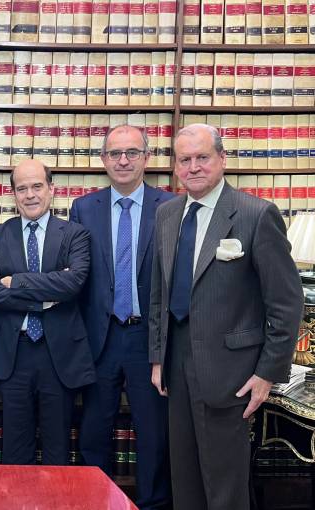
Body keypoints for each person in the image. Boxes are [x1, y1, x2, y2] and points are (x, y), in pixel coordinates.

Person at [149, 124, 303, 510]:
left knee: (225, 490)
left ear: (222, 158)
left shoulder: (256, 215)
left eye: (202, 157)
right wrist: (157, 358)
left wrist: (267, 373)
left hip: (232, 373)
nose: (193, 167)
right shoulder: (166, 214)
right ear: (175, 166)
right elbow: (158, 294)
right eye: (184, 160)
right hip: (175, 367)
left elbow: (286, 303)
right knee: (185, 483)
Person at [69, 125, 172, 510]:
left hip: (149, 338)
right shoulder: (83, 209)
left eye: (132, 152)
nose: (123, 160)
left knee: (153, 432)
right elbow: (76, 276)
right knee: (94, 429)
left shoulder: (170, 206)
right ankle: (93, 501)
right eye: (115, 153)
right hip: (100, 336)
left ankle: (152, 504)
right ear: (103, 159)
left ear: (147, 157)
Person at [0, 158, 95, 465]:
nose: (30, 195)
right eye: (22, 189)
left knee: (57, 450)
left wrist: (15, 282)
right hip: (12, 353)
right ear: (13, 194)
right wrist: (46, 297)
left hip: (60, 355)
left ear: (51, 189)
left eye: (37, 186)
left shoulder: (75, 234)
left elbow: (73, 284)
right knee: (15, 452)